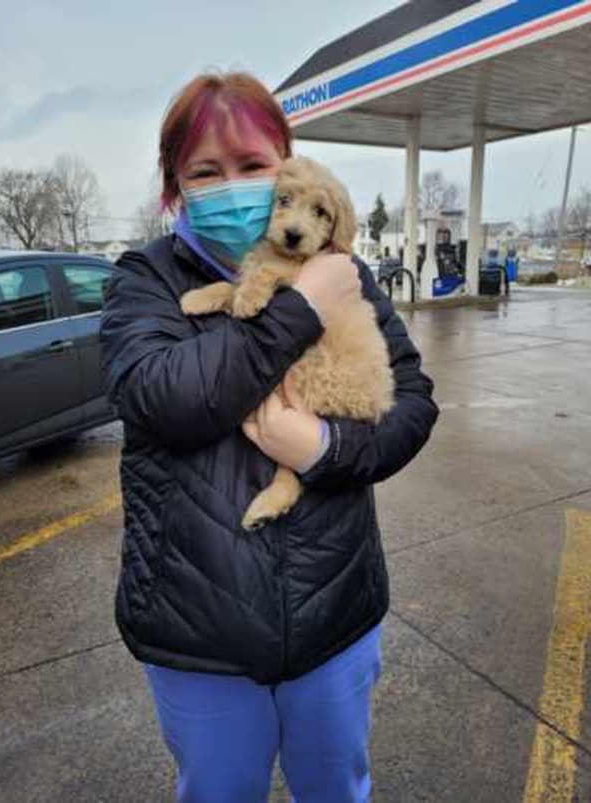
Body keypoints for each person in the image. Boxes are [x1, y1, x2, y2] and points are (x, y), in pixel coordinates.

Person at [100, 72, 439, 803]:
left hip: (334, 612)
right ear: (174, 187)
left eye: (253, 165)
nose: (235, 186)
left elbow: (411, 403)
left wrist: (324, 450)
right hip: (198, 632)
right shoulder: (144, 280)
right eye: (205, 171)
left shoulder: (344, 267)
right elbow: (168, 397)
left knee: (337, 789)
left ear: (285, 162)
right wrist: (304, 307)